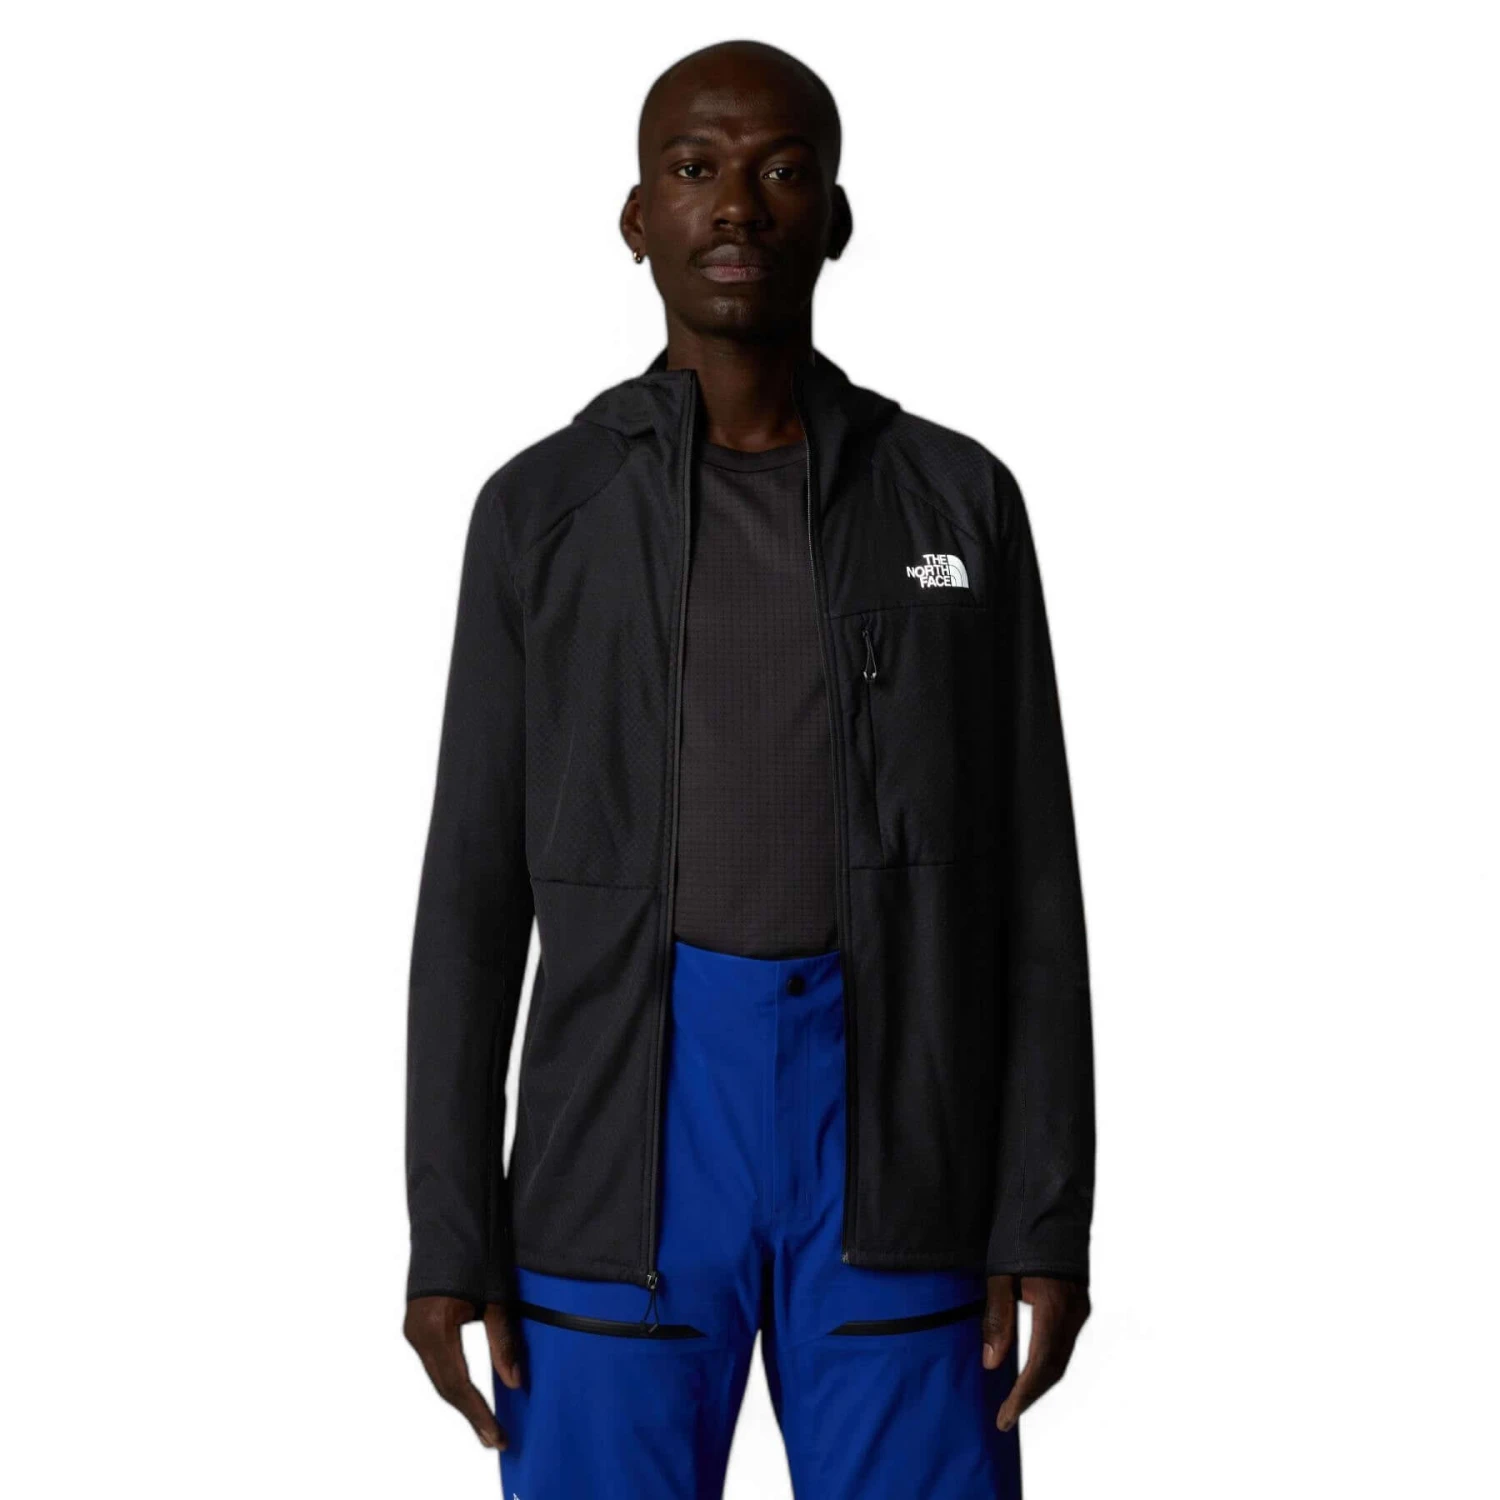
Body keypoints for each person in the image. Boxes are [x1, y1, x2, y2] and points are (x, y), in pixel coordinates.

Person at [403, 37, 1094, 1498]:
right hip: (617, 1150)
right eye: (694, 168)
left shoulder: (956, 500)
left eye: (781, 170)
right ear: (636, 216)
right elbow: (470, 892)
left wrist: (1043, 1212)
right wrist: (450, 1231)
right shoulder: (542, 512)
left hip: (901, 1147)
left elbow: (1034, 884)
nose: (737, 205)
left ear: (834, 215)